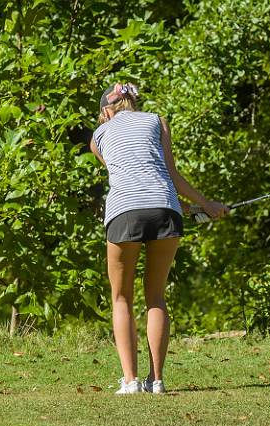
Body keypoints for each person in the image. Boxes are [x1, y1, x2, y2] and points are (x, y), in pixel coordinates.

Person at [89, 82, 229, 394]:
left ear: (106, 110)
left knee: (121, 297)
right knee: (156, 296)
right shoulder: (157, 121)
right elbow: (167, 175)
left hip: (124, 211)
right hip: (165, 207)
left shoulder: (99, 135)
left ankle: (130, 381)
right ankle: (156, 380)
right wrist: (206, 206)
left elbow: (123, 173)